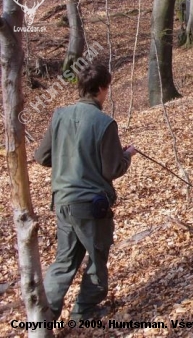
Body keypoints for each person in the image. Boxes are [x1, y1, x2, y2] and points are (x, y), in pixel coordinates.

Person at [34, 62, 137, 321]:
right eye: (107, 89)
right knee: (96, 257)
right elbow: (113, 169)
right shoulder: (104, 122)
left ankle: (42, 320)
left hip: (62, 202)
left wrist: (68, 159)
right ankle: (83, 313)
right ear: (101, 88)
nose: (106, 93)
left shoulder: (59, 116)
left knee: (63, 262)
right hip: (91, 205)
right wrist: (127, 156)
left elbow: (42, 156)